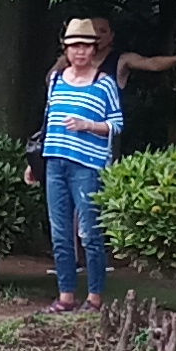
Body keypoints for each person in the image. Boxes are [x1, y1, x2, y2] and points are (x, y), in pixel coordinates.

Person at [37, 16, 120, 312]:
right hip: (55, 161)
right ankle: (66, 296)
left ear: (93, 48)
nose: (80, 52)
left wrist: (88, 125)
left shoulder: (104, 83)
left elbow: (117, 124)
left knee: (90, 232)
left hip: (87, 165)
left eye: (85, 46)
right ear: (66, 49)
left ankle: (95, 297)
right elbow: (47, 121)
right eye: (74, 46)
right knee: (60, 232)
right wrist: (35, 161)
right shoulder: (56, 80)